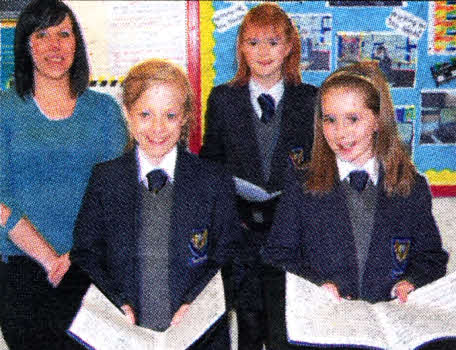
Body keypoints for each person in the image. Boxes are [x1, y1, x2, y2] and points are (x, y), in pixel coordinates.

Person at [262, 62, 449, 349]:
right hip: (325, 333)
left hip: (387, 332)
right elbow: (277, 254)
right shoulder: (302, 184)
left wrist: (411, 281)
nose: (340, 133)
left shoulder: (410, 186)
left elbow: (431, 257)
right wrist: (317, 283)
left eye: (353, 119)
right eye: (330, 120)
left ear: (377, 120)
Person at [70, 58, 241, 349]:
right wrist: (117, 302)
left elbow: (231, 256)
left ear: (186, 116)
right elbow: (86, 254)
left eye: (170, 115)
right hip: (126, 335)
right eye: (145, 114)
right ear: (128, 114)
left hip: (198, 337)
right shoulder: (106, 179)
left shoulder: (213, 180)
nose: (158, 128)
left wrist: (194, 303)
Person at [0, 0, 127, 348]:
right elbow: (0, 200)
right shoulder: (5, 111)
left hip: (92, 270)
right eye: (42, 35)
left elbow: (116, 195)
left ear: (77, 44)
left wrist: (75, 257)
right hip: (22, 270)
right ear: (26, 44)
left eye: (64, 34)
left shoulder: (104, 112)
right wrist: (49, 260)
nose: (54, 45)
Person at [199, 3, 317, 349]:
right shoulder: (223, 99)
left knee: (285, 330)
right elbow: (211, 164)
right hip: (241, 235)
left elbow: (320, 170)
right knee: (248, 326)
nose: (263, 52)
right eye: (253, 43)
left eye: (273, 42)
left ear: (289, 47)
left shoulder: (309, 100)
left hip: (292, 238)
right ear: (241, 49)